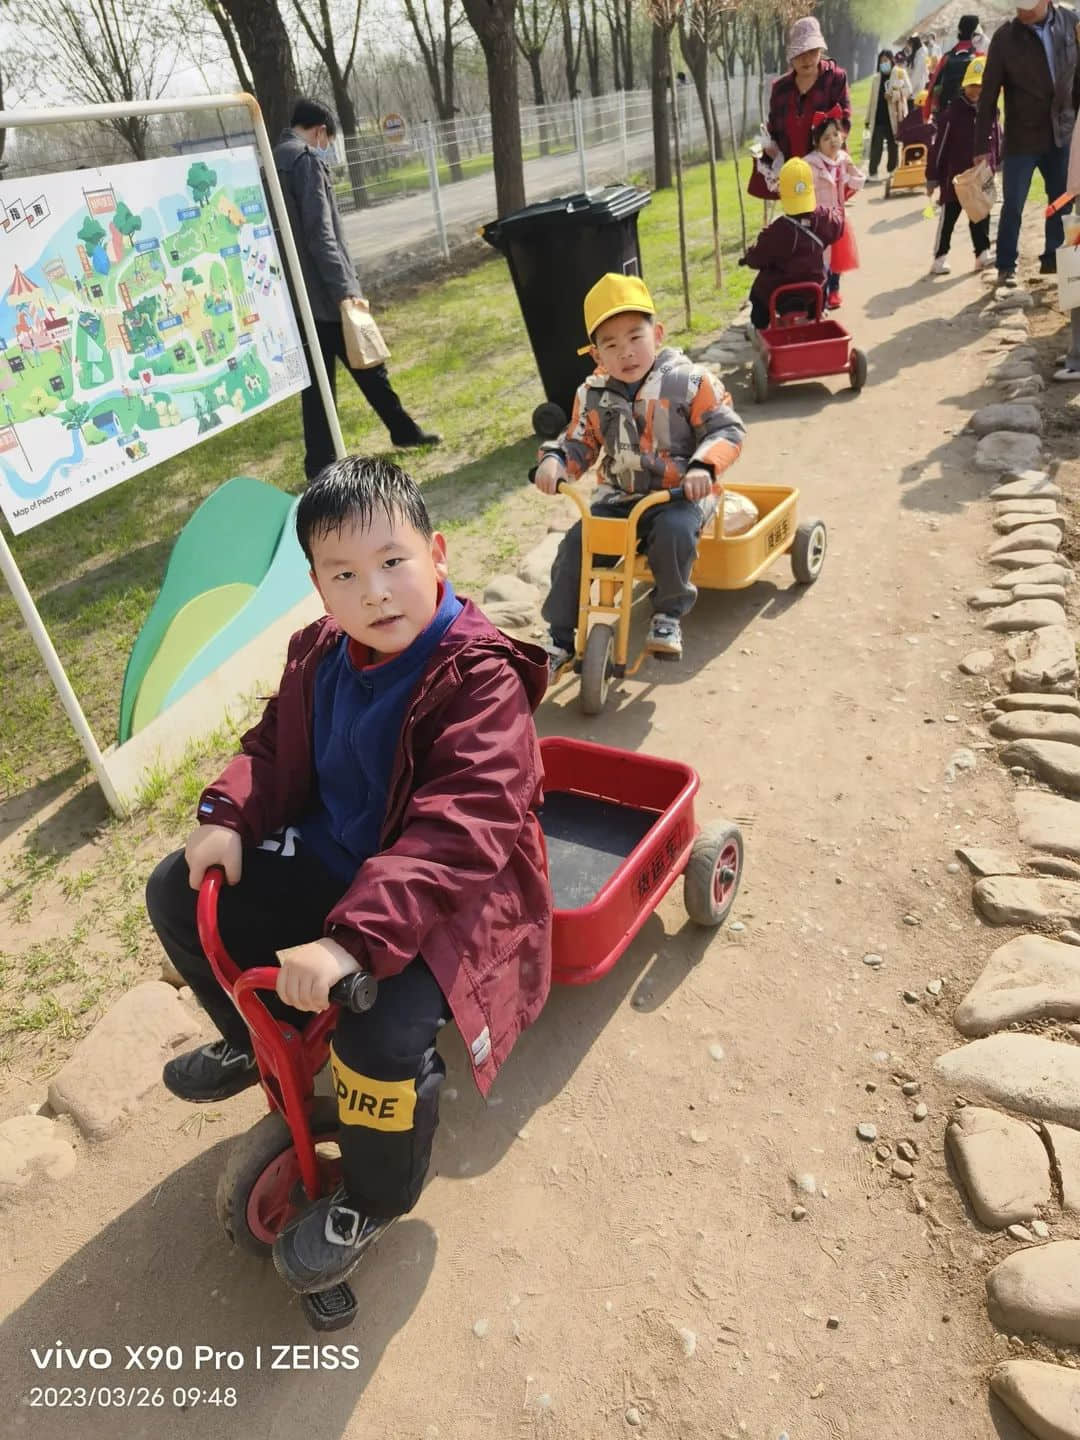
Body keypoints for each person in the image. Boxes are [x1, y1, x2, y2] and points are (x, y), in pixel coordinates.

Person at [146, 457, 550, 1294]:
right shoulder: (321, 653)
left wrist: (350, 943)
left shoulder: (477, 679)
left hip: (444, 902)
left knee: (380, 1038)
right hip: (342, 863)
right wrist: (230, 813)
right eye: (346, 574)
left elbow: (458, 832)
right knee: (179, 894)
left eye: (394, 562)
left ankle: (372, 1194)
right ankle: (250, 1032)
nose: (376, 592)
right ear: (318, 588)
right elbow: (274, 750)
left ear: (438, 554)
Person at [533, 274, 745, 670]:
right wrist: (556, 460)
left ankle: (667, 614)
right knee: (576, 546)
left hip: (679, 495)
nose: (625, 353)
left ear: (658, 334)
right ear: (596, 355)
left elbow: (726, 429)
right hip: (619, 499)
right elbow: (580, 441)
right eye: (610, 345)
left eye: (635, 337)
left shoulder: (690, 382)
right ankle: (560, 638)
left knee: (675, 531)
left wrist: (702, 466)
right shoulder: (592, 395)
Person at [273, 99, 440, 479]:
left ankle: (320, 465)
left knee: (317, 387)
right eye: (327, 139)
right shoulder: (307, 160)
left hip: (293, 300)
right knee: (369, 365)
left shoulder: (269, 160)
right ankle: (403, 432)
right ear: (320, 132)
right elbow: (322, 235)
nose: (326, 146)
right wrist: (345, 289)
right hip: (327, 294)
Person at [975, 2, 1080, 286]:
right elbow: (988, 95)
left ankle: (1053, 258)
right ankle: (1006, 265)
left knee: (1062, 200)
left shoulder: (1072, 23)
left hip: (1063, 132)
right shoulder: (1005, 38)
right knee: (1013, 204)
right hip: (1023, 137)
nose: (1023, 13)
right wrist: (980, 146)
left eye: (1029, 7)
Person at [741, 157, 844, 330]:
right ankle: (816, 314)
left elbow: (758, 257)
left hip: (779, 291)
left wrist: (749, 257)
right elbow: (839, 226)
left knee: (758, 292)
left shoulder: (778, 230)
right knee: (823, 275)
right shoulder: (825, 219)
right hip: (812, 290)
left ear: (782, 193)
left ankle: (759, 325)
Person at [927, 56, 1001, 274]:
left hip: (982, 175)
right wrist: (932, 176)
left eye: (981, 85)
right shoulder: (952, 114)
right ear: (965, 85)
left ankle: (982, 253)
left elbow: (996, 139)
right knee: (949, 216)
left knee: (981, 213)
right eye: (972, 85)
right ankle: (940, 257)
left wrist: (996, 164)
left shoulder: (992, 111)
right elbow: (938, 147)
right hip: (956, 178)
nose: (976, 90)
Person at [766, 15, 852, 164]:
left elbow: (843, 123)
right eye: (800, 54)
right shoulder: (780, 89)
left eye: (812, 51)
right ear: (791, 56)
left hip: (829, 168)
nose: (806, 59)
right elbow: (774, 131)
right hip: (794, 172)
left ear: (820, 50)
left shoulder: (835, 79)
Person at [805, 111, 865, 308]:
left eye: (835, 135)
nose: (832, 141)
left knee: (838, 257)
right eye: (826, 138)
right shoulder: (810, 164)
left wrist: (849, 180)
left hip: (838, 217)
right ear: (817, 143)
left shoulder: (843, 159)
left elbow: (858, 179)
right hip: (818, 220)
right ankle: (819, 294)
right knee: (822, 259)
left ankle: (835, 291)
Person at [865, 52, 912, 179]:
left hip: (894, 117)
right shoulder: (876, 79)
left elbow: (908, 91)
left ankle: (892, 170)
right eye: (881, 61)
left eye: (885, 60)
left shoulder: (900, 73)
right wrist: (868, 118)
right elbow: (872, 100)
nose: (883, 64)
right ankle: (873, 173)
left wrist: (894, 96)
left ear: (891, 61)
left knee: (893, 146)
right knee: (876, 146)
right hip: (879, 118)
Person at [928, 15, 983, 116]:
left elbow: (933, 85)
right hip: (974, 114)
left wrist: (927, 114)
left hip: (948, 113)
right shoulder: (980, 56)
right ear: (976, 33)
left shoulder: (947, 57)